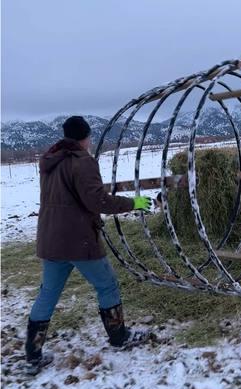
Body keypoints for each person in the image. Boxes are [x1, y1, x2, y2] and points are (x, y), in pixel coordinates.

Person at [25, 116, 153, 375]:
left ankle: (33, 352)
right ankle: (119, 337)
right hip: (78, 239)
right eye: (89, 138)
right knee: (107, 284)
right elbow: (98, 202)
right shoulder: (83, 162)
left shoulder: (50, 161)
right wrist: (134, 204)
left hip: (51, 240)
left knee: (48, 293)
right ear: (84, 138)